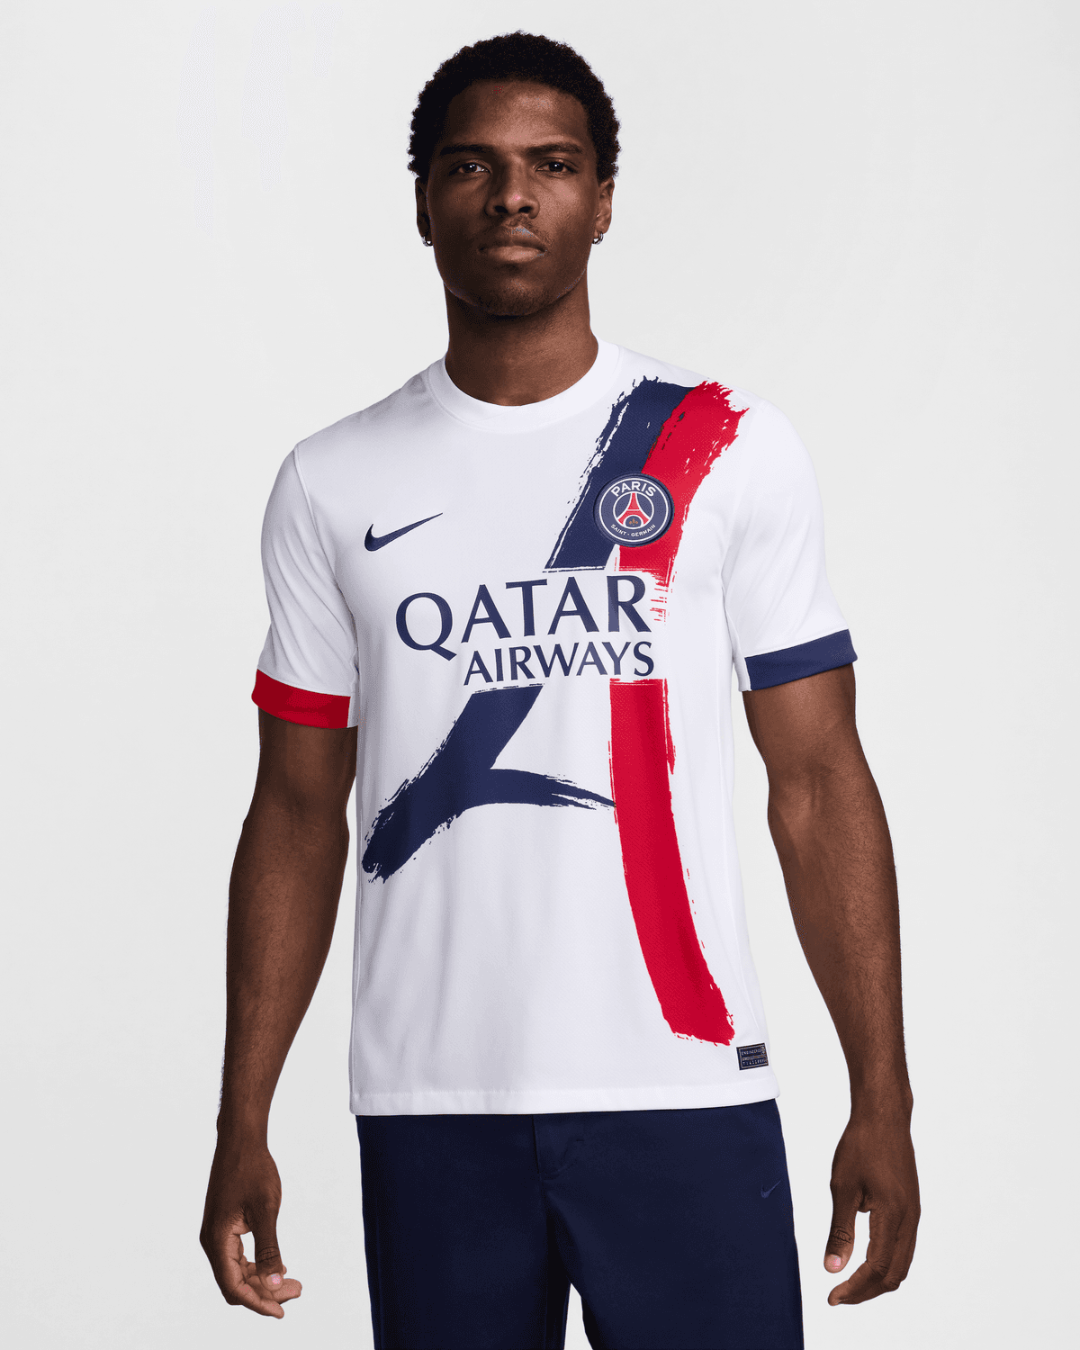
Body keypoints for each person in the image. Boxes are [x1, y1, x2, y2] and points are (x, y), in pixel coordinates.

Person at [200, 31, 919, 1350]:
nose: (513, 197)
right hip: (433, 1104)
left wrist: (885, 1094)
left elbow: (818, 781)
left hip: (685, 1089)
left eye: (553, 164)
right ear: (424, 201)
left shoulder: (728, 449)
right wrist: (242, 1114)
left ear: (603, 200)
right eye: (472, 166)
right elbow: (296, 812)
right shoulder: (331, 481)